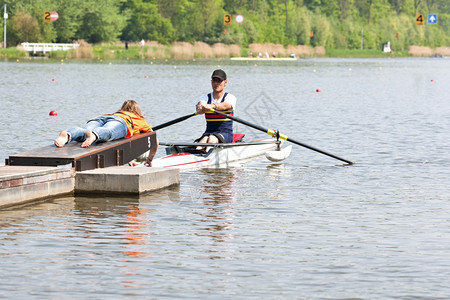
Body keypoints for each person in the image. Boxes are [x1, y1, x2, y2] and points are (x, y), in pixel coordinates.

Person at [54, 100, 157, 166]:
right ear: (137, 111)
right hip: (122, 122)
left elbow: (120, 143)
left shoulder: (117, 113)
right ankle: (94, 135)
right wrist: (150, 159)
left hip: (102, 117)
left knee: (83, 132)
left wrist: (128, 160)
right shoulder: (139, 119)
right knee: (108, 132)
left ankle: (67, 135)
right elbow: (154, 140)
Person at [195, 69, 237, 152]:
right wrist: (200, 108)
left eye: (219, 81)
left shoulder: (230, 97)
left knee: (212, 139)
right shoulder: (205, 98)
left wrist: (212, 106)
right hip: (209, 132)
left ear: (225, 82)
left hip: (226, 133)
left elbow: (226, 105)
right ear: (211, 82)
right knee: (202, 142)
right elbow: (200, 104)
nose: (216, 83)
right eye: (214, 81)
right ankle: (198, 155)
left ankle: (207, 156)